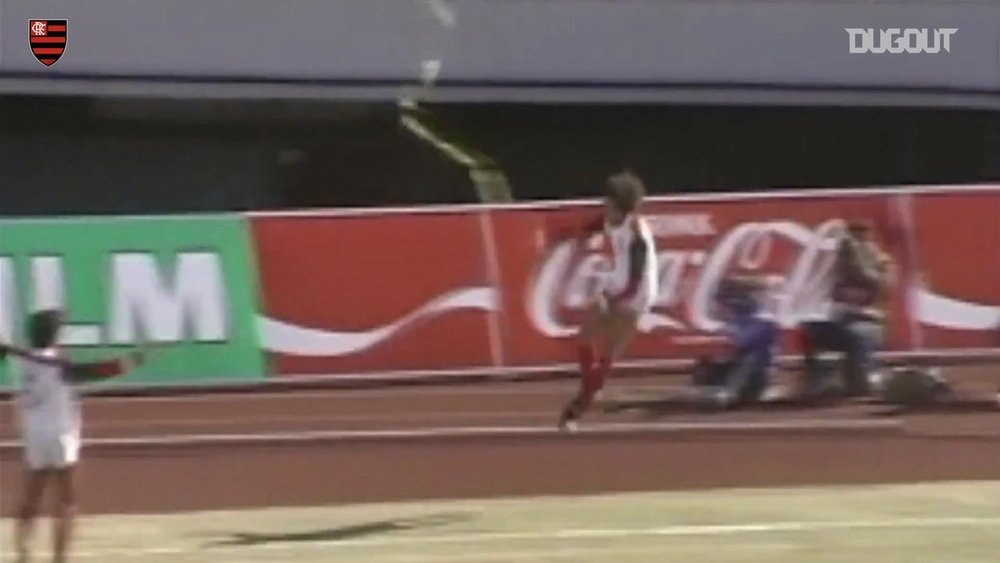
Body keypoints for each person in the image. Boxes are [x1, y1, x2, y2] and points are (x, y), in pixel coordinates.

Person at [3, 309, 146, 563]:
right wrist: (133, 361)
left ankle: (23, 553)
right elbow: (100, 370)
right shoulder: (59, 364)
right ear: (54, 335)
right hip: (60, 434)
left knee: (31, 496)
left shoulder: (25, 358)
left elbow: (13, 350)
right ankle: (60, 558)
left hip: (34, 435)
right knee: (67, 500)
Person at [558, 171, 658, 431]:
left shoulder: (636, 233)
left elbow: (637, 277)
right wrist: (571, 234)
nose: (603, 203)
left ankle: (577, 408)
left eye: (608, 199)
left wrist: (615, 300)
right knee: (584, 337)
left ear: (620, 204)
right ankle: (591, 387)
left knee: (608, 352)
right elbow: (592, 225)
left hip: (638, 292)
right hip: (617, 280)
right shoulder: (610, 219)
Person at [801, 220, 894, 398]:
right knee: (809, 328)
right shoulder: (839, 267)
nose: (859, 243)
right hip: (840, 322)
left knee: (858, 334)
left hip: (870, 323)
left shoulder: (884, 264)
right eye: (854, 237)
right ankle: (817, 378)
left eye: (862, 238)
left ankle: (862, 377)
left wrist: (859, 259)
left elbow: (877, 284)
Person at [691, 275, 779, 408]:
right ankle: (708, 391)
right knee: (706, 363)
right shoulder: (737, 321)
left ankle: (730, 392)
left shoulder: (764, 322)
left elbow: (744, 344)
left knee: (749, 358)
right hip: (739, 367)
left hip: (758, 374)